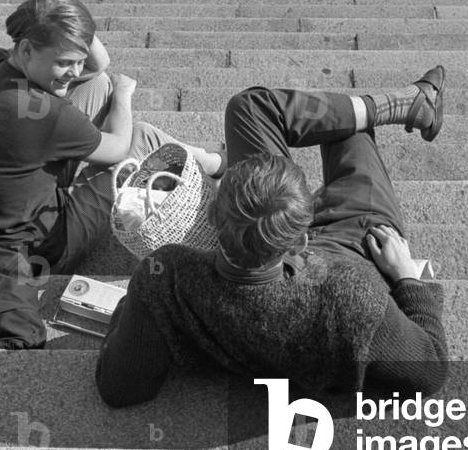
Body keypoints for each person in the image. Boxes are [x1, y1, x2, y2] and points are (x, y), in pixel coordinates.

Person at [96, 68, 450, 407]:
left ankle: (399, 104)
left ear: (210, 214)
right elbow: (428, 373)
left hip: (267, 238)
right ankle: (399, 105)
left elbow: (120, 388)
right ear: (301, 242)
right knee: (347, 130)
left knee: (250, 106)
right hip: (354, 250)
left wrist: (137, 306)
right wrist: (407, 279)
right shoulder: (352, 297)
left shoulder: (168, 275)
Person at [0, 0, 224, 275]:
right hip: (45, 249)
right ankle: (217, 165)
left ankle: (212, 162)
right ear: (28, 49)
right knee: (142, 137)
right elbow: (119, 148)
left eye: (78, 60)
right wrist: (123, 96)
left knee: (98, 82)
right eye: (64, 62)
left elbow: (99, 64)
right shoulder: (43, 114)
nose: (76, 71)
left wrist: (65, 12)